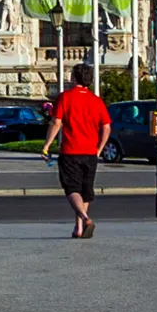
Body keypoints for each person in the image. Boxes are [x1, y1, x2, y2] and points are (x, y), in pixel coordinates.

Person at [41, 64, 113, 239]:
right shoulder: (96, 100)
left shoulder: (66, 97)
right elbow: (106, 126)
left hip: (71, 151)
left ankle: (84, 218)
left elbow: (56, 123)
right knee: (86, 190)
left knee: (72, 188)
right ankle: (79, 227)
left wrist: (46, 145)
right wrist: (99, 149)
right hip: (90, 153)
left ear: (74, 78)